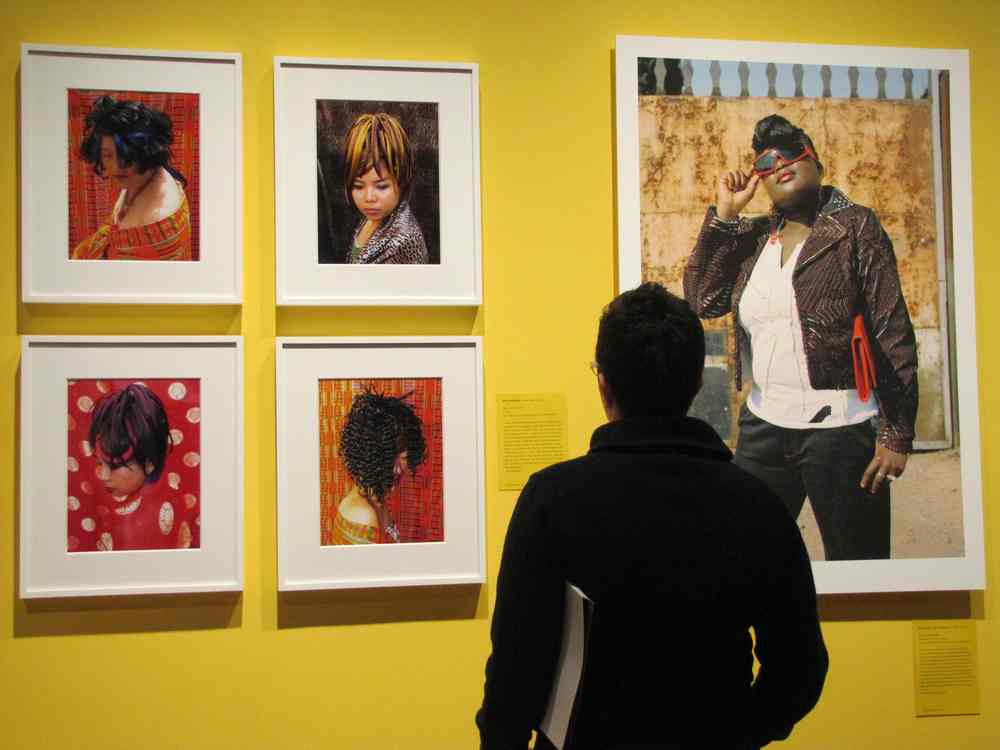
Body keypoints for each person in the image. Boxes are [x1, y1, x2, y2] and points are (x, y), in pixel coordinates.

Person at [476, 283, 828, 749]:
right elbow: (800, 670)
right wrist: (733, 733)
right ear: (698, 382)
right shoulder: (756, 504)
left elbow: (515, 672)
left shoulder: (553, 499)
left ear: (603, 381)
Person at [683, 114, 918, 561]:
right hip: (763, 430)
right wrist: (726, 216)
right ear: (761, 180)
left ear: (817, 163)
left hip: (841, 433)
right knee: (744, 560)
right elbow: (702, 299)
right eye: (768, 162)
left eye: (793, 152)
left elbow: (892, 330)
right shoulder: (754, 238)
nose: (781, 163)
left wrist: (896, 434)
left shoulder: (854, 228)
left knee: (857, 566)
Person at [72, 95, 192, 261]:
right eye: (107, 155)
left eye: (126, 155)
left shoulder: (150, 223)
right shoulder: (149, 174)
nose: (115, 167)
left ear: (148, 151)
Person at [83, 383, 195, 551]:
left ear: (149, 463)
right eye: (100, 462)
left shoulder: (149, 527)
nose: (103, 475)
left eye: (115, 465)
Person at [330, 390, 427, 544]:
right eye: (387, 458)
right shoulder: (364, 517)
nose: (397, 470)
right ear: (368, 455)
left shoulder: (375, 499)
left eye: (403, 458)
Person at [342, 112, 429, 264]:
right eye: (358, 186)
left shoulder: (403, 240)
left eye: (381, 186)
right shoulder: (372, 217)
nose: (369, 197)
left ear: (401, 179)